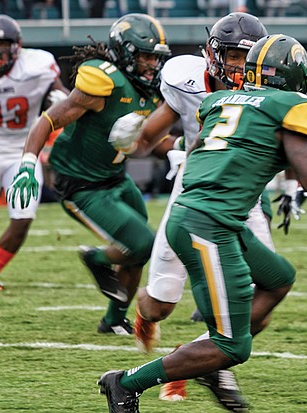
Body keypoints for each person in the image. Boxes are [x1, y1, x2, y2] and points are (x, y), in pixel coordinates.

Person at [97, 33, 307, 412]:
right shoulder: (292, 106)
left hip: (206, 211)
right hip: (208, 223)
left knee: (278, 277)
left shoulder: (220, 100)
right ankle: (125, 383)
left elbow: (215, 151)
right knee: (232, 346)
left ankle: (203, 355)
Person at [107, 12, 272, 408]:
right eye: (232, 56)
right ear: (213, 54)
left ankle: (203, 357)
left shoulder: (270, 88)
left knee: (264, 300)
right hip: (194, 192)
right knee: (159, 304)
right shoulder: (185, 78)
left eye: (247, 59)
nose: (239, 66)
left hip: (244, 199)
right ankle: (150, 317)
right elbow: (149, 139)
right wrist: (132, 138)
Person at [6, 13, 171, 335]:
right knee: (142, 243)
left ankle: (113, 320)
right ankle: (96, 260)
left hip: (115, 178)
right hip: (80, 184)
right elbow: (49, 120)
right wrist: (28, 161)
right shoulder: (103, 82)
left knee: (137, 252)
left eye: (156, 57)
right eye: (146, 56)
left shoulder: (150, 90)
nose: (152, 64)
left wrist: (178, 149)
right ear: (125, 53)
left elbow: (148, 143)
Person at [0, 14, 69, 291]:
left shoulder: (37, 66)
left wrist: (59, 98)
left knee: (23, 217)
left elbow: (59, 93)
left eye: (3, 47)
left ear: (18, 46)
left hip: (21, 150)